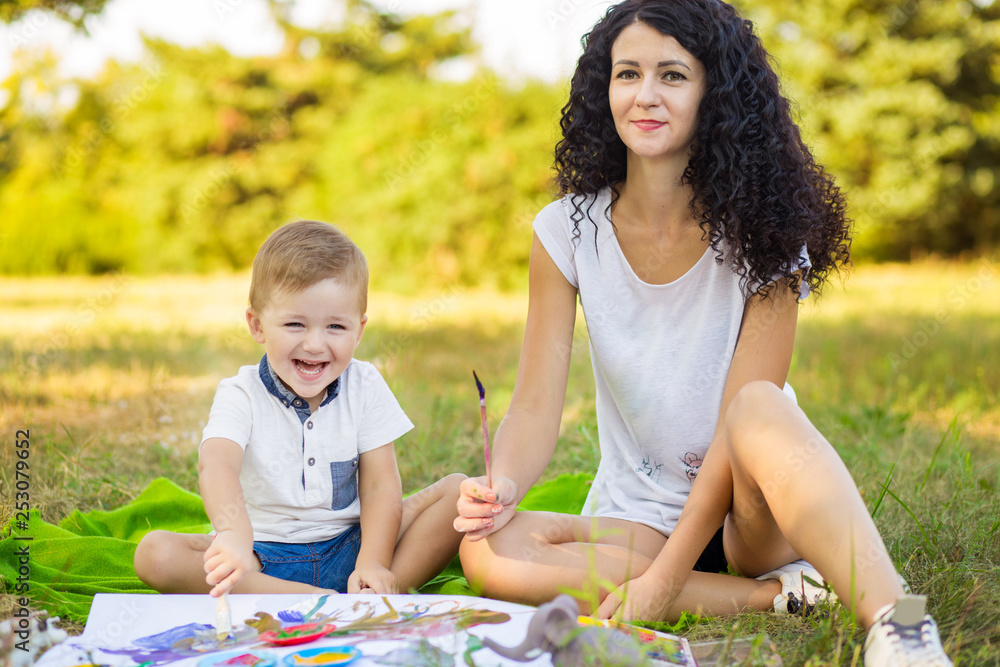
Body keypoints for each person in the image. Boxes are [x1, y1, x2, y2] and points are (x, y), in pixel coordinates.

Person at [454, 1, 952, 665]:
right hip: (640, 516)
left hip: (752, 508)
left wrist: (664, 583)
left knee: (756, 406)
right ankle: (779, 597)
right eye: (627, 74)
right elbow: (535, 404)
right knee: (487, 551)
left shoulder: (765, 230)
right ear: (604, 90)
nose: (646, 95)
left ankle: (902, 621)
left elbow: (738, 425)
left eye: (673, 76)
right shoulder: (565, 231)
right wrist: (504, 486)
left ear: (713, 95)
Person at [135, 220, 464, 597]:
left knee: (458, 492)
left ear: (359, 330)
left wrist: (372, 559)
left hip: (351, 546)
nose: (314, 344)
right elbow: (218, 463)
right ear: (257, 325)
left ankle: (373, 587)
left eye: (335, 327)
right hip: (260, 557)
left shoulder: (365, 384)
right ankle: (300, 597)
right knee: (155, 554)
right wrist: (233, 535)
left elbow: (380, 485)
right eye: (295, 324)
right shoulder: (241, 393)